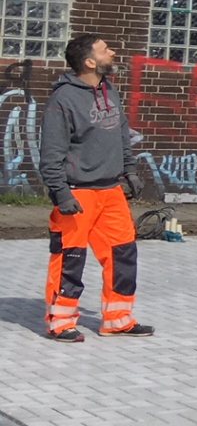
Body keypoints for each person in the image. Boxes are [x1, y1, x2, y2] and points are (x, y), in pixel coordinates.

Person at [39, 33, 151, 342]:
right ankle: (60, 322)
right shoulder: (63, 99)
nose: (112, 53)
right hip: (78, 192)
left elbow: (121, 135)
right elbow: (50, 153)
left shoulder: (109, 89)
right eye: (105, 50)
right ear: (90, 62)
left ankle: (117, 319)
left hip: (111, 191)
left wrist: (128, 171)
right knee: (70, 258)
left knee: (122, 255)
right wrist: (62, 194)